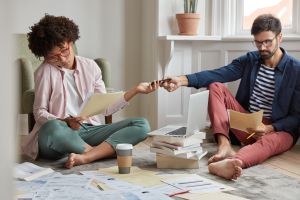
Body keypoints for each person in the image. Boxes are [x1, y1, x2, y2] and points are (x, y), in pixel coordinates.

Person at [161, 14, 300, 180]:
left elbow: (296, 116)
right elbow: (217, 74)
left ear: (280, 38)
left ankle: (234, 162)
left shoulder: (296, 70)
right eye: (258, 42)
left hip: (278, 130)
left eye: (267, 42)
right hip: (247, 125)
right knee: (216, 85)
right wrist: (181, 80)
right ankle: (224, 145)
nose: (262, 47)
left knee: (269, 143)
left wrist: (270, 128)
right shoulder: (250, 60)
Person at [21, 14, 159, 168]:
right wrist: (66, 121)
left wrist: (135, 90)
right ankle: (97, 153)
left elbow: (106, 108)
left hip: (89, 130)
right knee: (52, 127)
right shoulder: (44, 71)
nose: (62, 59)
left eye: (64, 51)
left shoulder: (90, 66)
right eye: (53, 57)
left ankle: (86, 156)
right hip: (59, 135)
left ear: (70, 42)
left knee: (142, 124)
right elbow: (39, 112)